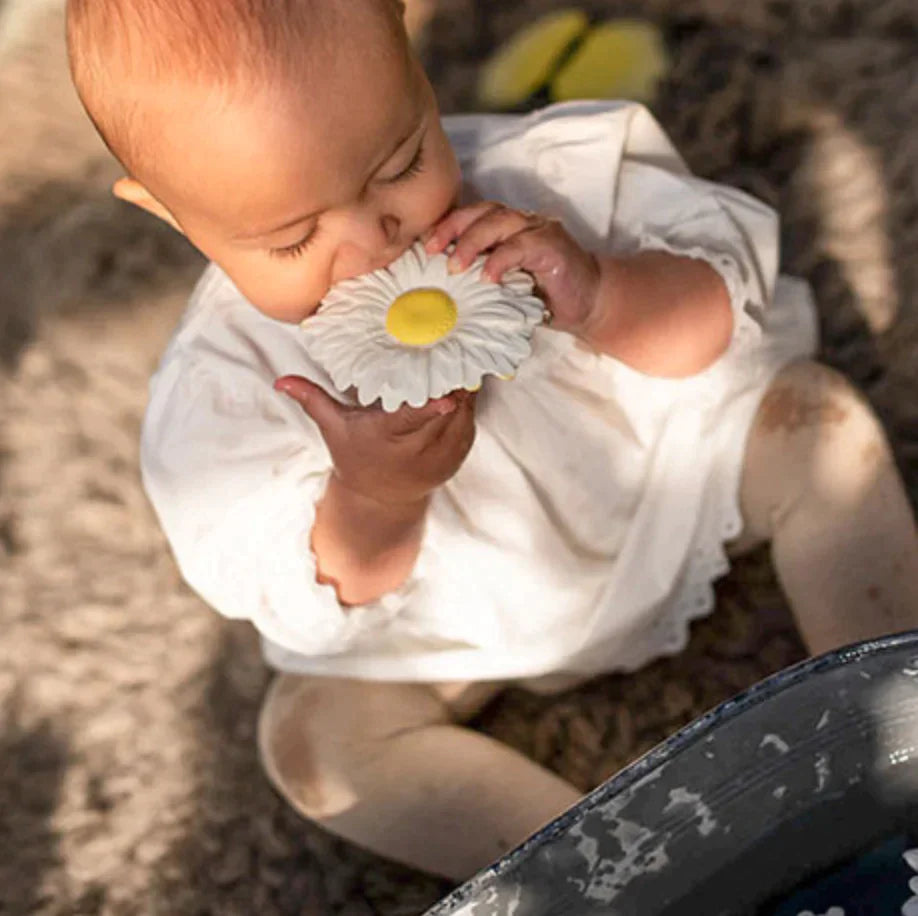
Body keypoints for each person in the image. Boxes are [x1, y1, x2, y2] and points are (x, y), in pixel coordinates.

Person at [66, 0, 918, 882]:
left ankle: (896, 719)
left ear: (415, 68)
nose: (368, 245)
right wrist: (374, 499)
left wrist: (601, 295)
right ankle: (617, 869)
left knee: (819, 426)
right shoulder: (225, 392)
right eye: (292, 240)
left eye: (399, 165)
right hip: (459, 623)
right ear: (173, 215)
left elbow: (716, 314)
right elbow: (319, 598)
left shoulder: (553, 182)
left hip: (665, 489)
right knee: (315, 747)